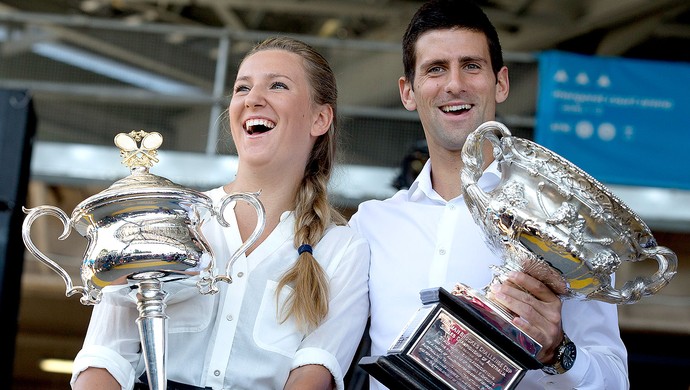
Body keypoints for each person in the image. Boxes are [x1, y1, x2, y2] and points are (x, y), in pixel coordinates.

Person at [349, 0, 629, 389]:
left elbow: (615, 381)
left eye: (471, 65)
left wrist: (558, 352)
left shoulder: (564, 223)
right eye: (435, 69)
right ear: (408, 92)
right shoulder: (368, 226)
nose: (454, 84)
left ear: (501, 82)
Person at [70, 36, 370, 390]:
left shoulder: (342, 248)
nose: (253, 99)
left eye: (277, 85)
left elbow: (313, 373)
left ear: (320, 118)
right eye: (242, 87)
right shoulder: (167, 218)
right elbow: (103, 358)